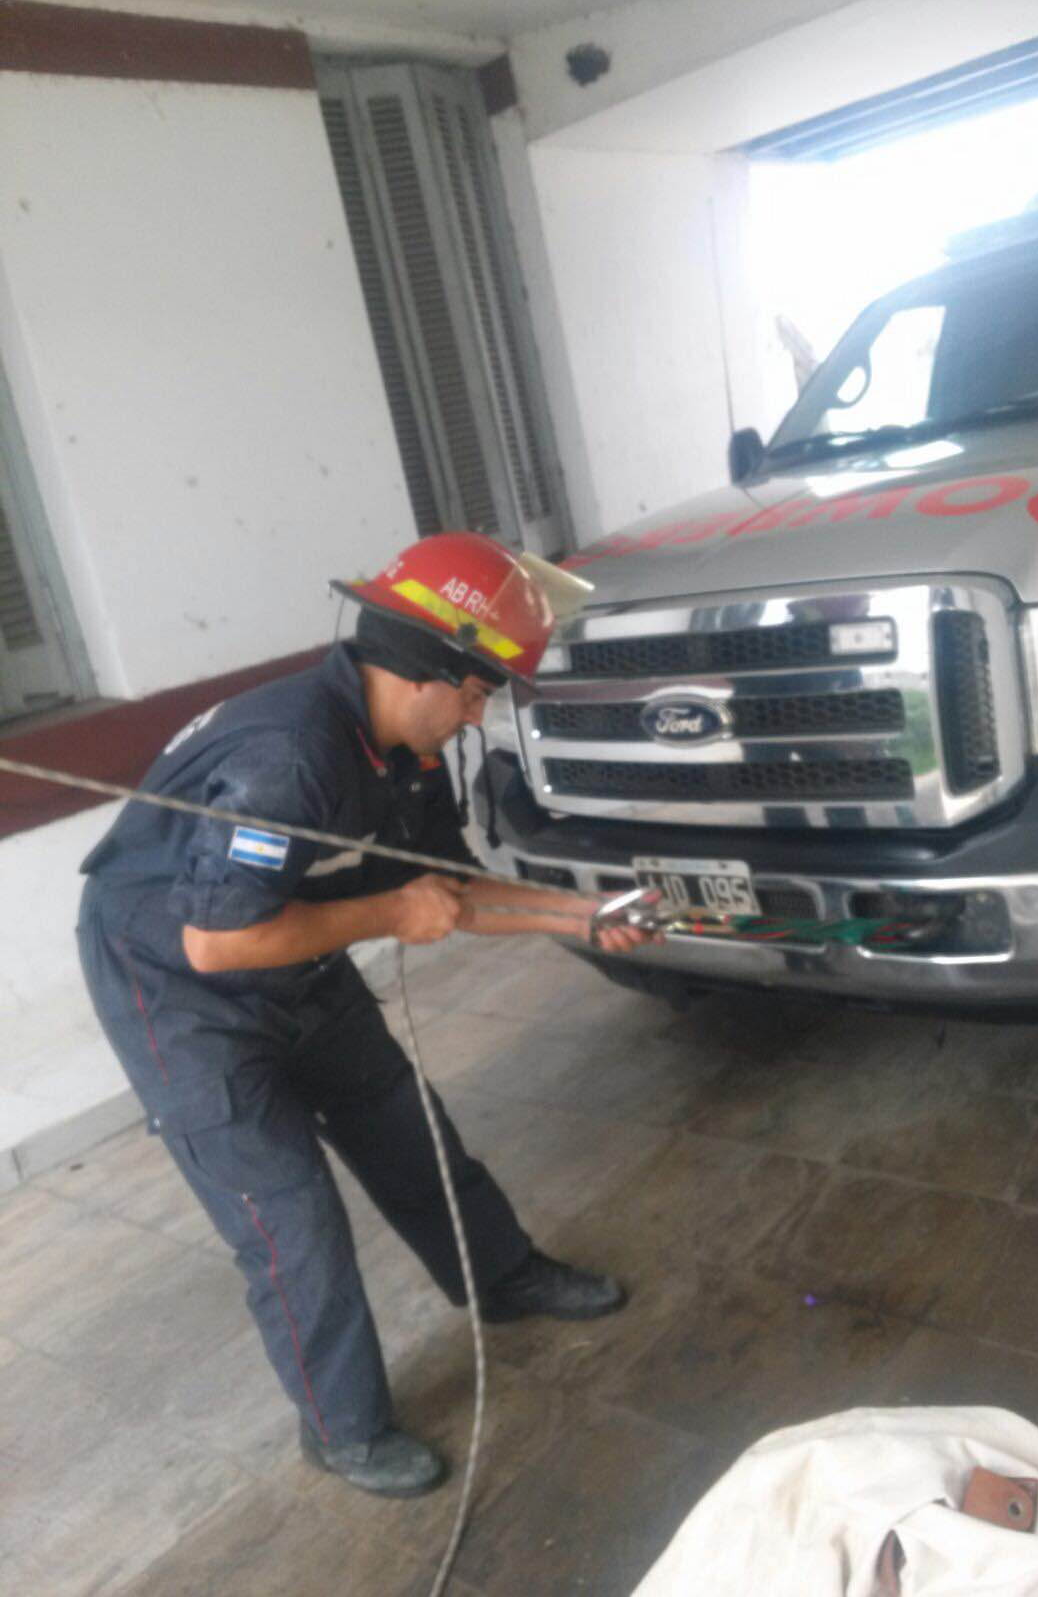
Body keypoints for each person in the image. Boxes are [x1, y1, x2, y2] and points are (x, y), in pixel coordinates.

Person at [76, 532, 651, 1499]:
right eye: (475, 692)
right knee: (288, 1211)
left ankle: (501, 1277)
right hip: (173, 984)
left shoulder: (405, 755)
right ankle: (342, 1427)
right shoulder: (289, 756)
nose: (478, 716)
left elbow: (452, 893)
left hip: (293, 947)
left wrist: (588, 915)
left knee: (403, 1125)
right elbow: (215, 945)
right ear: (422, 668)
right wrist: (388, 913)